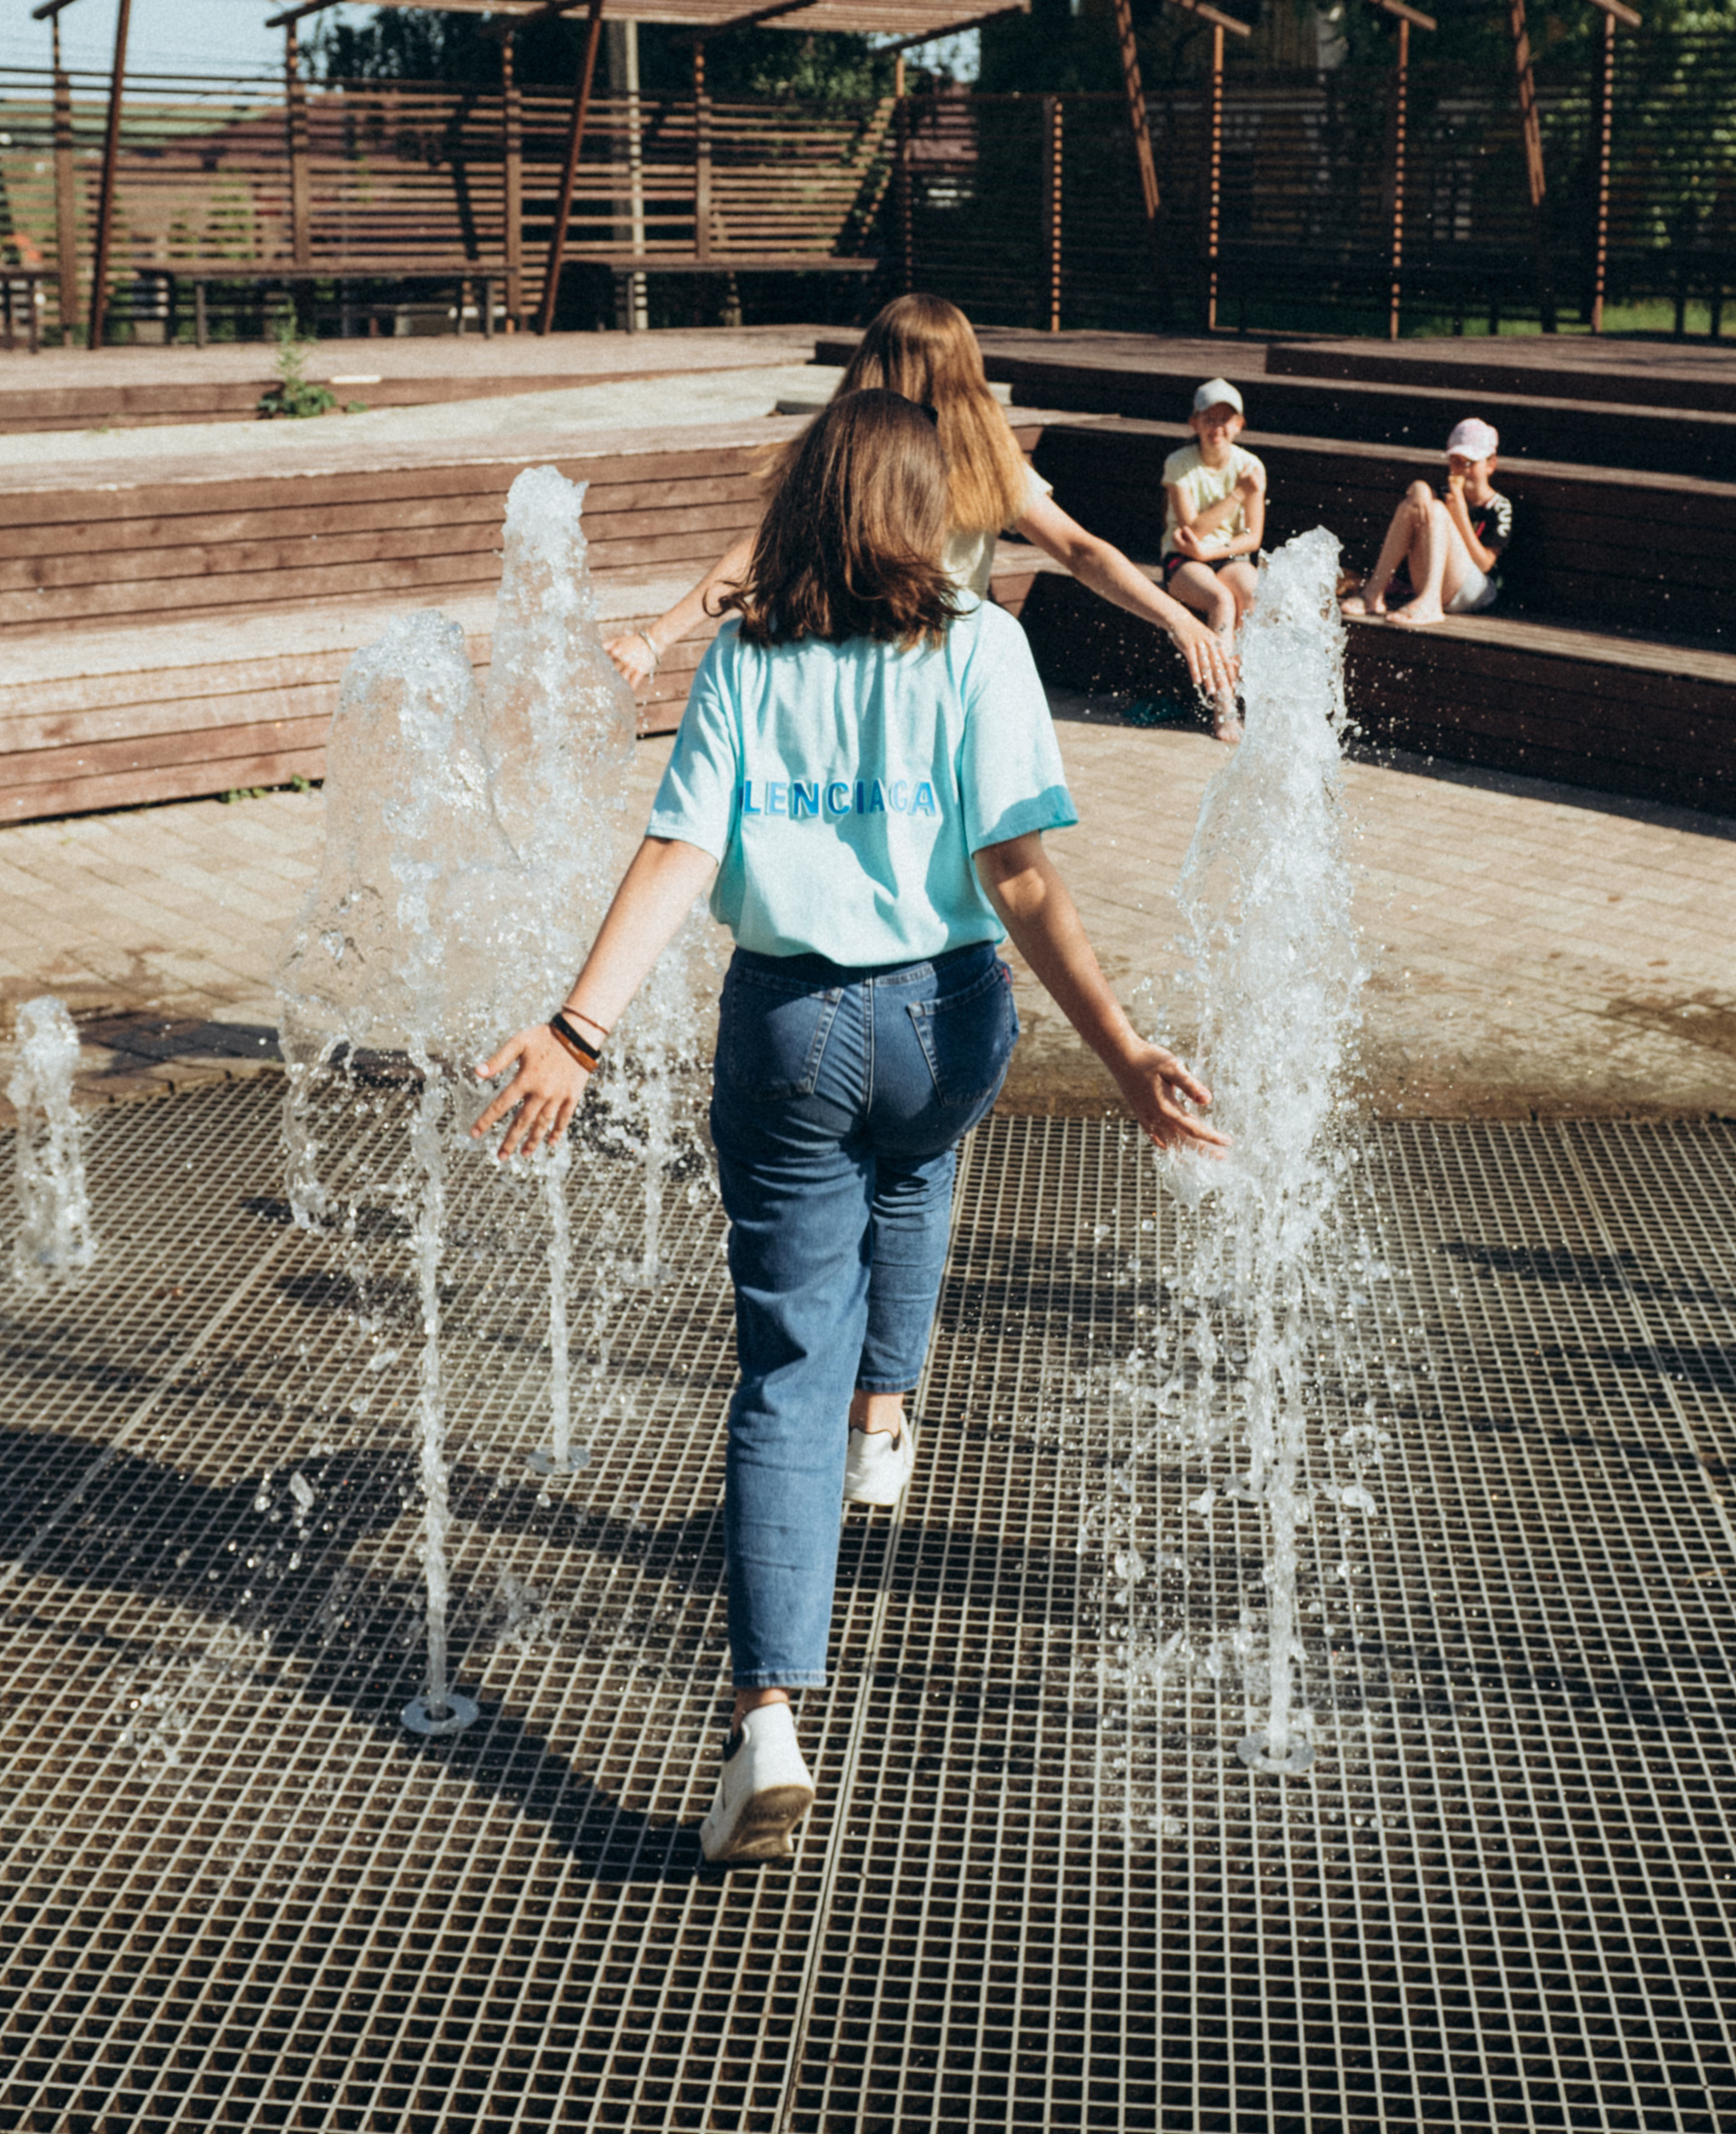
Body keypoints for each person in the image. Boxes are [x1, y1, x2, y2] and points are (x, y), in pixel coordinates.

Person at [475, 391, 1226, 1870]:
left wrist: (579, 1030)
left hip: (786, 1027)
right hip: (947, 1015)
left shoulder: (753, 655)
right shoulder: (984, 645)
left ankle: (767, 1716)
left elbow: (684, 848)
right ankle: (895, 1411)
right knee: (919, 1165)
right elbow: (1018, 879)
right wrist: (1125, 1050)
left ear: (817, 501)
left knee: (782, 1367)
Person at [604, 293, 1238, 722]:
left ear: (873, 362)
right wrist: (1176, 620)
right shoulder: (909, 453)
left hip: (870, 678)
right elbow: (1080, 549)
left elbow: (760, 552)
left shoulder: (918, 453)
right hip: (937, 676)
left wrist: (655, 639)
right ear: (963, 369)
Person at [1158, 378, 1268, 739]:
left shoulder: (1252, 465)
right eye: (1209, 418)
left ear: (1239, 425)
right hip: (1183, 561)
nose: (1217, 427)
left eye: (1225, 419)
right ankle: (1225, 707)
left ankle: (1255, 697)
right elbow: (1192, 531)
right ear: (1195, 423)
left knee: (1252, 596)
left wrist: (1209, 552)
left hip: (1227, 556)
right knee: (1221, 600)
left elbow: (1253, 538)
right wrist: (1239, 493)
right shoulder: (1180, 464)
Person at [1342, 417, 1512, 623]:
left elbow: (1485, 564)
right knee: (1413, 504)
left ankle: (1431, 602)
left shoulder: (1499, 506)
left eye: (1472, 463)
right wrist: (1418, 488)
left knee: (1438, 510)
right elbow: (1420, 495)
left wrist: (1460, 517)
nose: (1464, 469)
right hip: (1440, 584)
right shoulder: (1444, 494)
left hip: (1476, 592)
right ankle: (1374, 594)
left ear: (1490, 464)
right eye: (1457, 462)